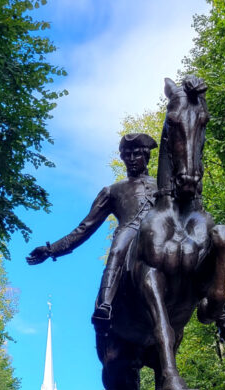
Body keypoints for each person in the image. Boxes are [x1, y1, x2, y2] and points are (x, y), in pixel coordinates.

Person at [26, 132, 158, 332]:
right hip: (130, 231)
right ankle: (105, 304)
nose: (131, 159)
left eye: (137, 154)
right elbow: (85, 228)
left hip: (158, 236)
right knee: (118, 249)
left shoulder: (162, 187)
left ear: (146, 156)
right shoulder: (112, 191)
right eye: (127, 155)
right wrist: (51, 249)